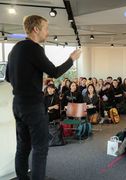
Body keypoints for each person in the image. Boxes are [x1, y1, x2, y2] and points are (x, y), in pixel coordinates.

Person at [5, 15, 81, 180]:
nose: (48, 32)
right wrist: (71, 59)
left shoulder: (14, 49)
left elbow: (9, 78)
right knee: (40, 148)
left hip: (18, 104)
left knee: (23, 146)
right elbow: (54, 72)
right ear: (36, 29)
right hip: (33, 106)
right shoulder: (34, 48)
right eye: (46, 28)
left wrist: (31, 80)